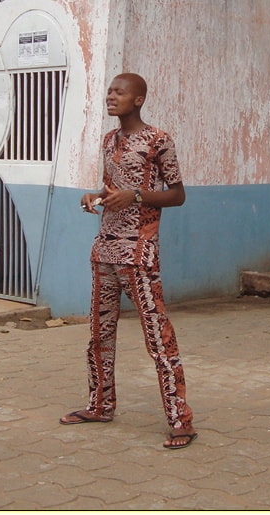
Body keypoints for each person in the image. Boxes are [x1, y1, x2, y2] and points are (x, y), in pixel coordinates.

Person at [59, 73, 197, 449]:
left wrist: (136, 197)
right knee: (99, 336)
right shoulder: (108, 141)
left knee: (158, 336)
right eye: (109, 91)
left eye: (119, 92)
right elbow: (110, 189)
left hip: (139, 253)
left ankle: (180, 420)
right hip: (104, 250)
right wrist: (95, 197)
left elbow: (178, 195)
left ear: (138, 100)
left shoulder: (159, 141)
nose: (111, 96)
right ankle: (100, 405)